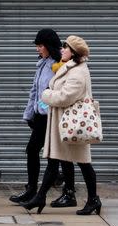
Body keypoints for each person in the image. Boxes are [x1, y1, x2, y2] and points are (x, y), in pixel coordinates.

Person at [22, 35, 101, 215]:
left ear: (74, 53)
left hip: (74, 124)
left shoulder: (78, 71)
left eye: (65, 48)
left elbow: (65, 96)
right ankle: (40, 197)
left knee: (84, 164)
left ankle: (93, 199)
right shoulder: (67, 68)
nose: (61, 50)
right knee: (54, 160)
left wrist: (46, 95)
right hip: (63, 123)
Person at [9, 29, 71, 204]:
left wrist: (43, 108)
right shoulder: (42, 64)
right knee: (37, 151)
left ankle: (66, 192)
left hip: (53, 116)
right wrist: (30, 113)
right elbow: (35, 92)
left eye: (40, 45)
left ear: (49, 45)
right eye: (37, 45)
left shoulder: (60, 64)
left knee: (60, 154)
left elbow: (58, 92)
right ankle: (33, 190)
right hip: (41, 117)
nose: (37, 49)